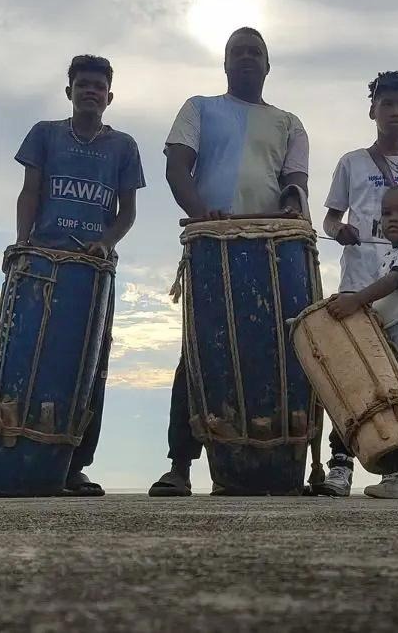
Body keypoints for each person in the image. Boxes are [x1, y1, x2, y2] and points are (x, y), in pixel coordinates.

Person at [148, 27, 309, 496]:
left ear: (267, 64)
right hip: (211, 243)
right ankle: (180, 465)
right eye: (237, 51)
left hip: (273, 251)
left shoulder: (288, 121)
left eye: (254, 52)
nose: (245, 58)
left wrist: (293, 209)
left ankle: (282, 463)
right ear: (224, 63)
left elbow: (294, 183)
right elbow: (176, 167)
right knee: (199, 350)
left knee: (279, 351)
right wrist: (201, 213)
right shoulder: (199, 107)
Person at [12, 54, 145, 495]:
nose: (91, 91)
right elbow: (30, 192)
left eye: (98, 86)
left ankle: (74, 466)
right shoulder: (45, 135)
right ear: (69, 91)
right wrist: (23, 242)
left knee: (92, 366)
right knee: (28, 356)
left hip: (94, 271)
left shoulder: (123, 146)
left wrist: (106, 242)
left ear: (110, 96)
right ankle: (15, 454)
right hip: (43, 264)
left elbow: (127, 213)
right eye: (82, 84)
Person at [319, 70, 398, 496]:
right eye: (386, 104)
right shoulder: (351, 162)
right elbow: (331, 218)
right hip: (359, 284)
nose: (394, 111)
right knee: (350, 377)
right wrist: (339, 232)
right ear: (372, 109)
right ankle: (341, 467)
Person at [324, 185, 398, 498]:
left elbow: (393, 283)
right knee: (392, 399)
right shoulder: (391, 254)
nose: (392, 219)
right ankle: (397, 474)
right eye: (386, 213)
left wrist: (356, 301)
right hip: (391, 332)